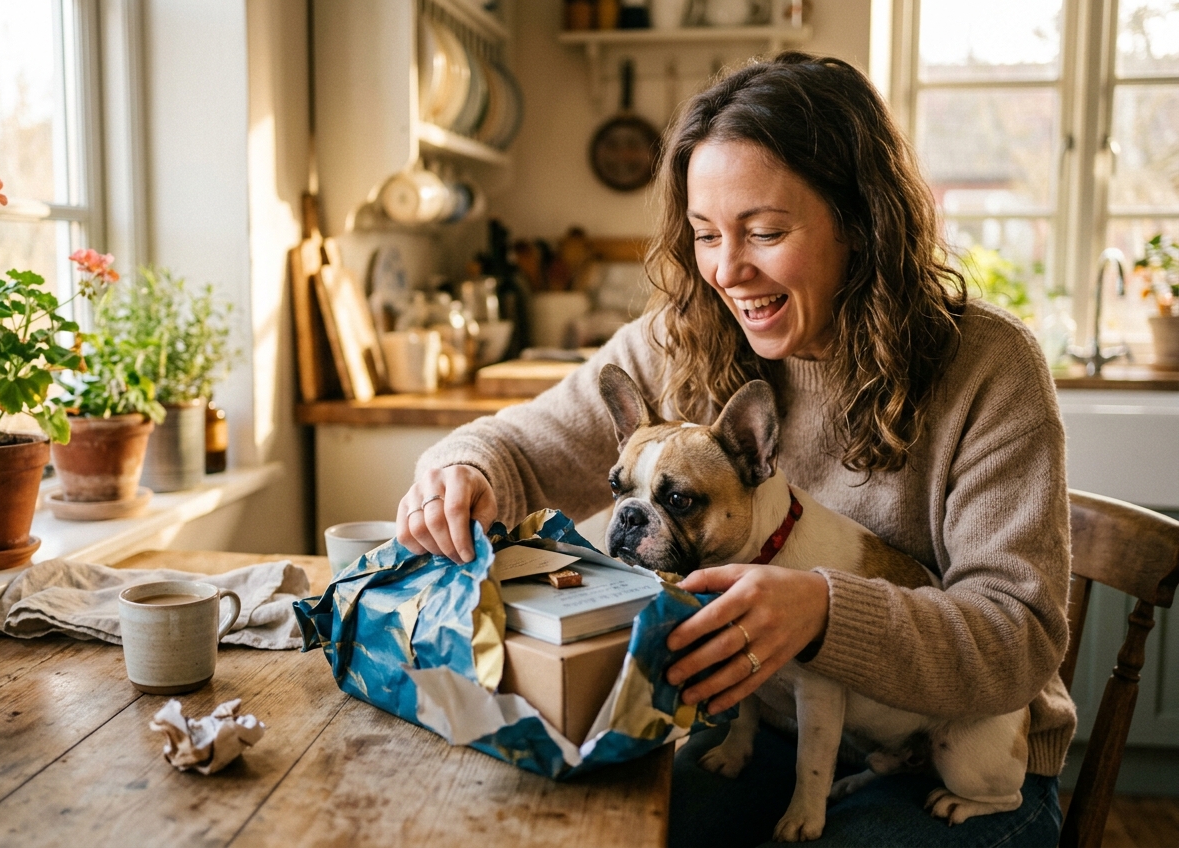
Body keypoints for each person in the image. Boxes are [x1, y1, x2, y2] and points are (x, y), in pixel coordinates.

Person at [396, 52, 1074, 847]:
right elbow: (523, 444)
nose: (725, 269)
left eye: (765, 232)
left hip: (955, 756)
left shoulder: (988, 369)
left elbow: (1015, 638)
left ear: (861, 221)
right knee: (586, 826)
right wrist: (462, 472)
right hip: (770, 734)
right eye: (706, 233)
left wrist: (825, 611)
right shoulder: (684, 335)